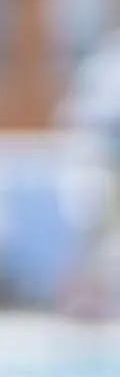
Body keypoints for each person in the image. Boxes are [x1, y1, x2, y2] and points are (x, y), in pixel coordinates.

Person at [54, 30, 120, 316]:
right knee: (92, 235)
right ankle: (85, 299)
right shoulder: (106, 63)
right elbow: (81, 114)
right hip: (99, 161)